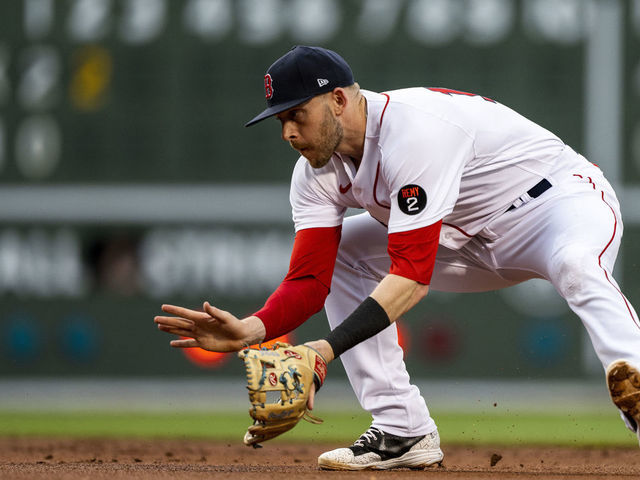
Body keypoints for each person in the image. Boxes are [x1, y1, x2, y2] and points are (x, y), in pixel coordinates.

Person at [154, 45, 640, 470]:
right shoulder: (315, 174)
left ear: (338, 100)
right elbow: (310, 279)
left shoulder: (414, 134)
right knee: (344, 253)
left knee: (578, 267)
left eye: (296, 114)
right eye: (281, 120)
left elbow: (411, 278)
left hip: (553, 207)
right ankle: (401, 429)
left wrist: (323, 352)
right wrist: (254, 329)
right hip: (461, 238)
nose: (288, 131)